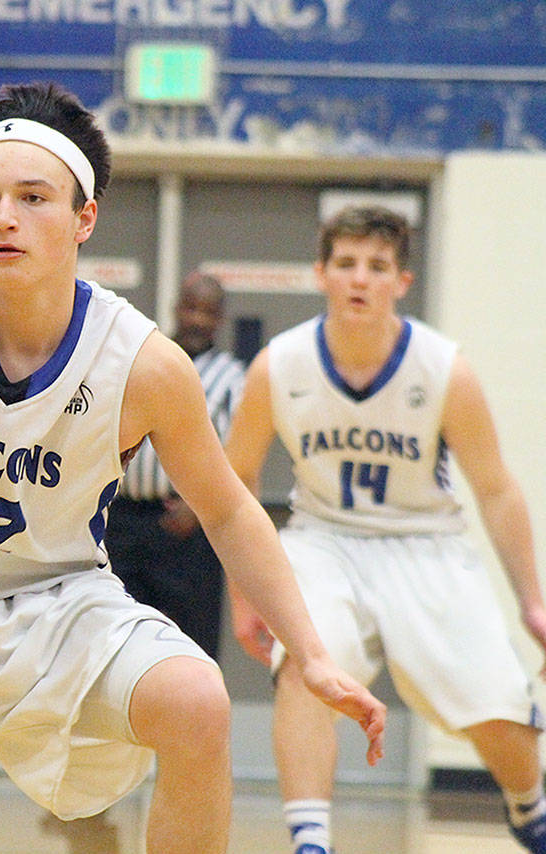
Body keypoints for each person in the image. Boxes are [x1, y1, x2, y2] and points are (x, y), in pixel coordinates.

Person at [0, 81, 386, 854]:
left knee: (199, 702)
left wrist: (314, 656)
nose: (4, 216)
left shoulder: (143, 365)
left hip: (58, 607)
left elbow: (230, 510)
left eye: (34, 197)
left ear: (84, 217)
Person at [224, 204, 546, 854]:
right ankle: (311, 841)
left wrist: (531, 600)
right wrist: (246, 594)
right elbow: (236, 485)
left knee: (497, 709)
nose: (359, 280)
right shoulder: (278, 367)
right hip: (324, 542)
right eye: (346, 264)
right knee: (306, 669)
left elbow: (496, 490)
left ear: (401, 280)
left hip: (427, 542)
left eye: (376, 266)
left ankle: (528, 805)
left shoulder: (444, 369)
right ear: (322, 273)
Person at [104, 271, 245, 658]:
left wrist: (199, 507)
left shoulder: (232, 377)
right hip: (124, 522)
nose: (198, 319)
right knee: (116, 637)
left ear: (220, 319)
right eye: (192, 308)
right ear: (177, 309)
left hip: (189, 529)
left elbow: (240, 454)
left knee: (193, 641)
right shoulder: (143, 360)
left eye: (208, 312)